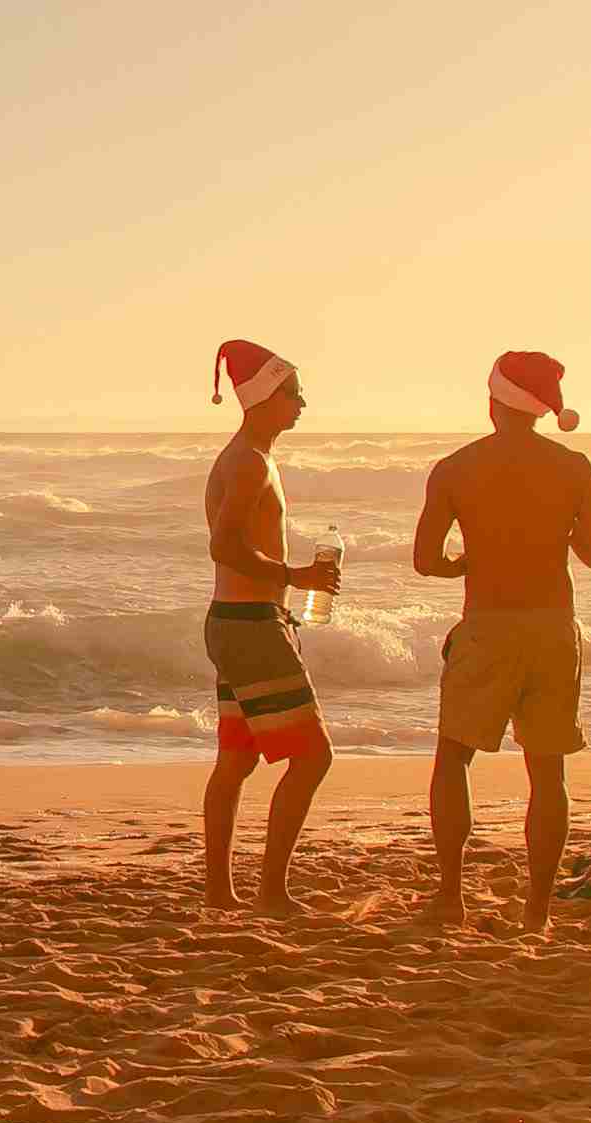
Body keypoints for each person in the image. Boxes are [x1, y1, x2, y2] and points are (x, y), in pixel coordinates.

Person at [412, 350, 591, 932]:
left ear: (492, 401)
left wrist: (465, 565)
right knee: (547, 772)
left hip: (489, 625)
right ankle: (537, 912)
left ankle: (451, 896)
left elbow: (425, 560)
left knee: (453, 757)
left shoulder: (455, 469)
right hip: (554, 627)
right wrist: (563, 529)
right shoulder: (574, 467)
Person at [201, 339, 341, 914]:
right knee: (314, 757)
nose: (302, 403)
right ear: (263, 397)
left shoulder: (255, 457)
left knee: (235, 761)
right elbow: (225, 545)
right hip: (250, 626)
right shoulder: (248, 462)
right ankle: (272, 893)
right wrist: (296, 575)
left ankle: (220, 893)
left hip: (241, 620)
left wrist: (289, 589)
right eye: (293, 393)